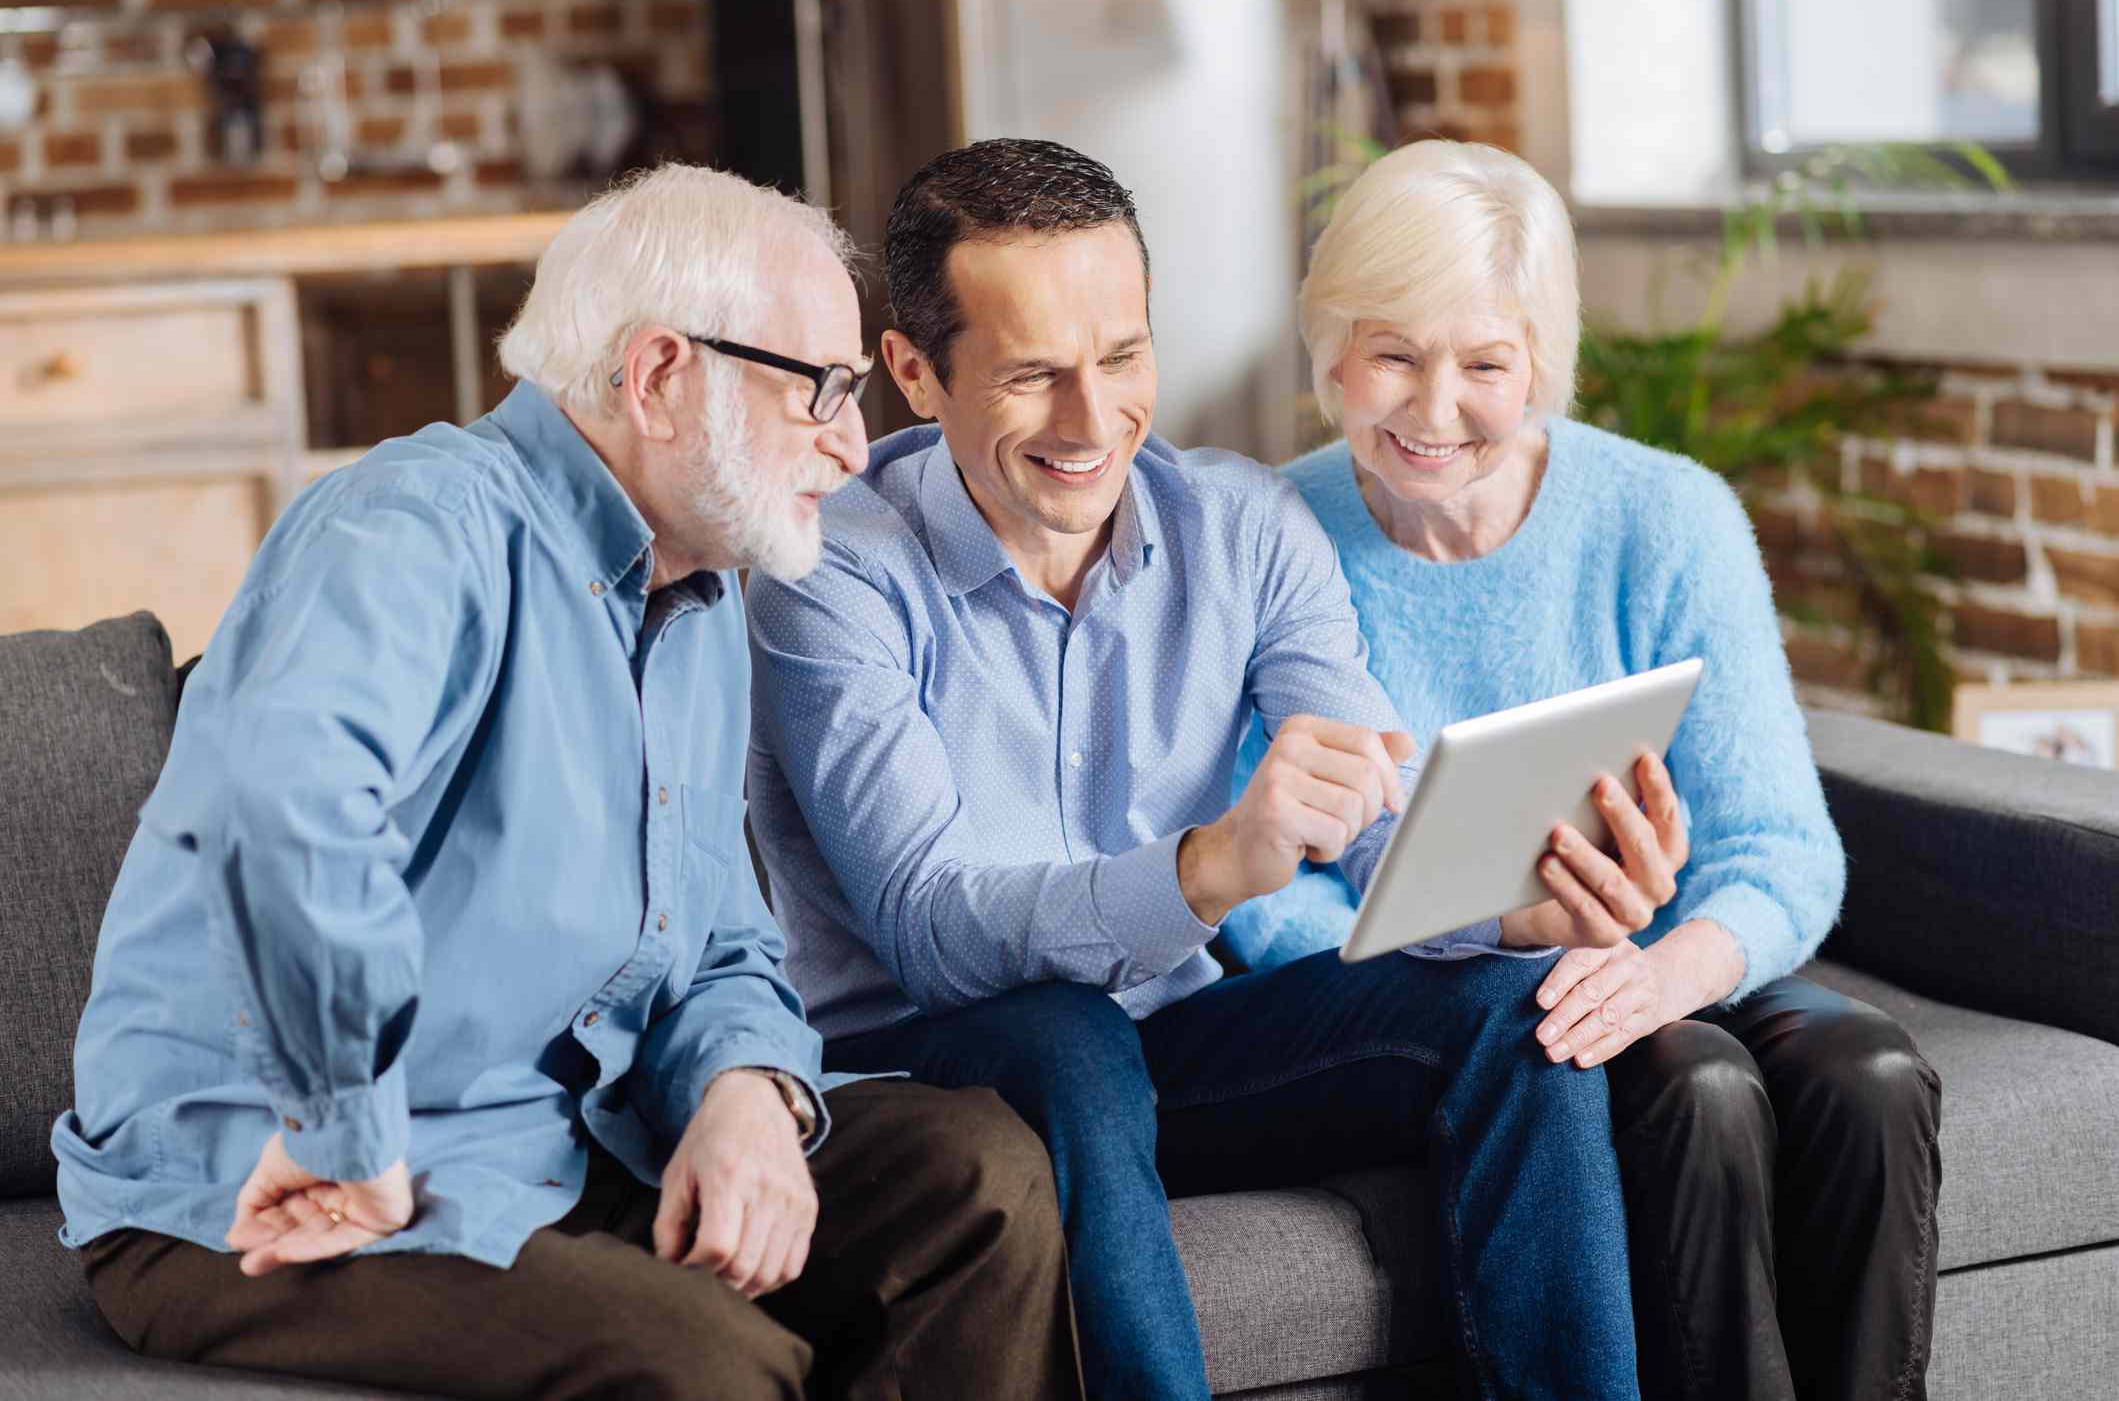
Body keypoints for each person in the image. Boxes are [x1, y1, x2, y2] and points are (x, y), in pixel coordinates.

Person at [53, 163, 1083, 1401]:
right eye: (819, 390)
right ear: (658, 376)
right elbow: (286, 818)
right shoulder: (411, 524)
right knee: (706, 1362)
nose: (855, 447)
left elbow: (720, 940)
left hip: (556, 1146)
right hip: (264, 1182)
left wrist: (745, 1089)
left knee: (978, 1178)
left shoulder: (698, 592)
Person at [747, 137, 1681, 1401]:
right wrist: (1204, 870)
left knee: (1520, 1011)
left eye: (1123, 358)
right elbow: (932, 931)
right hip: (931, 1063)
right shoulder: (828, 572)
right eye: (1032, 374)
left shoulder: (1243, 527)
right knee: (1064, 1031)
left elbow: (1375, 818)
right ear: (914, 372)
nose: (1093, 422)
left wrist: (1510, 905)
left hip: (1167, 1042)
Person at [1222, 139, 1942, 1401]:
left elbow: (1778, 844)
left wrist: (1669, 967)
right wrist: (1495, 937)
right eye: (1392, 354)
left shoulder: (1664, 517)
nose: (1433, 412)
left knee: (1867, 1074)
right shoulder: (1264, 538)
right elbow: (1262, 892)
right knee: (1700, 1088)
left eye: (1485, 364)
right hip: (1441, 1011)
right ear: (1329, 350)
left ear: (1541, 364)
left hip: (1662, 964)